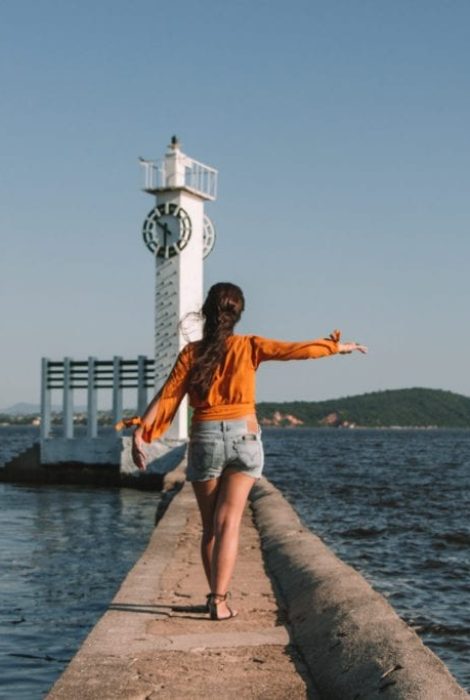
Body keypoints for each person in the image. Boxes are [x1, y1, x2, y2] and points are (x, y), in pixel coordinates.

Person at [123, 282, 367, 620]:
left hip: (206, 436)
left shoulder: (191, 353)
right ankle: (219, 600)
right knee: (230, 524)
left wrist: (142, 431)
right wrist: (335, 347)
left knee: (210, 527)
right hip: (245, 437)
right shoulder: (249, 346)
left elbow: (168, 395)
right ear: (237, 315)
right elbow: (294, 350)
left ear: (207, 312)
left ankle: (214, 598)